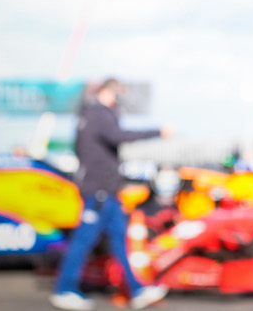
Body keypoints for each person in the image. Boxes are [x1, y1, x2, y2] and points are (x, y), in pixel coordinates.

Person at [51, 78, 171, 311]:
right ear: (110, 92)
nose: (121, 100)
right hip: (98, 192)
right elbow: (118, 136)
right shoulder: (98, 113)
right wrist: (157, 131)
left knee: (119, 241)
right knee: (83, 240)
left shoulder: (89, 115)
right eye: (119, 94)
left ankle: (137, 290)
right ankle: (64, 290)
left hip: (106, 191)